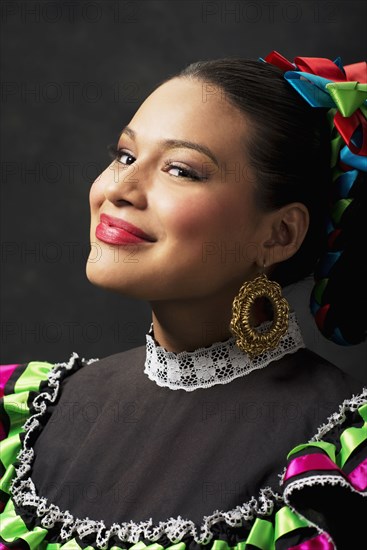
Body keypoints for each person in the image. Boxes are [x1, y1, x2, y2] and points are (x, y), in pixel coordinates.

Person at [1, 51, 366, 549]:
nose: (121, 189)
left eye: (181, 170)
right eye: (125, 155)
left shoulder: (343, 453)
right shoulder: (27, 414)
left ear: (280, 234)